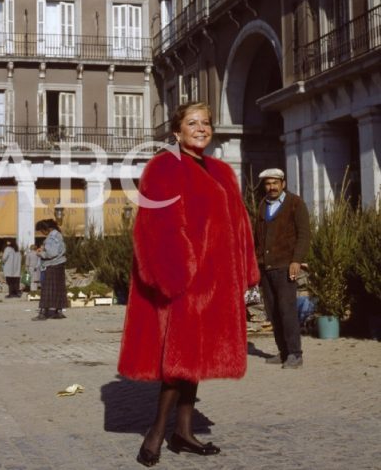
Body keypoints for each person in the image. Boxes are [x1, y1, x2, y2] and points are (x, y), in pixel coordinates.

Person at [117, 102, 260, 467]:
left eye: (206, 123)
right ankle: (156, 432)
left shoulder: (222, 171)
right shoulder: (164, 167)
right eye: (192, 123)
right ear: (176, 132)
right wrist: (178, 276)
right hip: (185, 283)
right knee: (178, 361)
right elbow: (157, 225)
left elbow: (240, 225)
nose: (201, 129)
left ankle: (182, 431)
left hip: (217, 283)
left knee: (193, 361)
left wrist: (245, 272)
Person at [254, 168, 310, 369]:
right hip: (266, 267)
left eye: (275, 183)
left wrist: (297, 260)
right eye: (268, 183)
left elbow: (304, 234)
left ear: (283, 183)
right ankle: (283, 351)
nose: (272, 187)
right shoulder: (263, 206)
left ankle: (295, 353)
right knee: (273, 311)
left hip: (286, 266)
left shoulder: (295, 203)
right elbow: (258, 237)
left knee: (287, 310)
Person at [33, 219, 67, 320]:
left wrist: (40, 253)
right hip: (59, 265)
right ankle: (58, 311)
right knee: (59, 289)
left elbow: (51, 253)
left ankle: (43, 312)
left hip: (52, 266)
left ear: (47, 229)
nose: (42, 233)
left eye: (42, 231)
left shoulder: (52, 237)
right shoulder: (58, 235)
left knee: (47, 289)